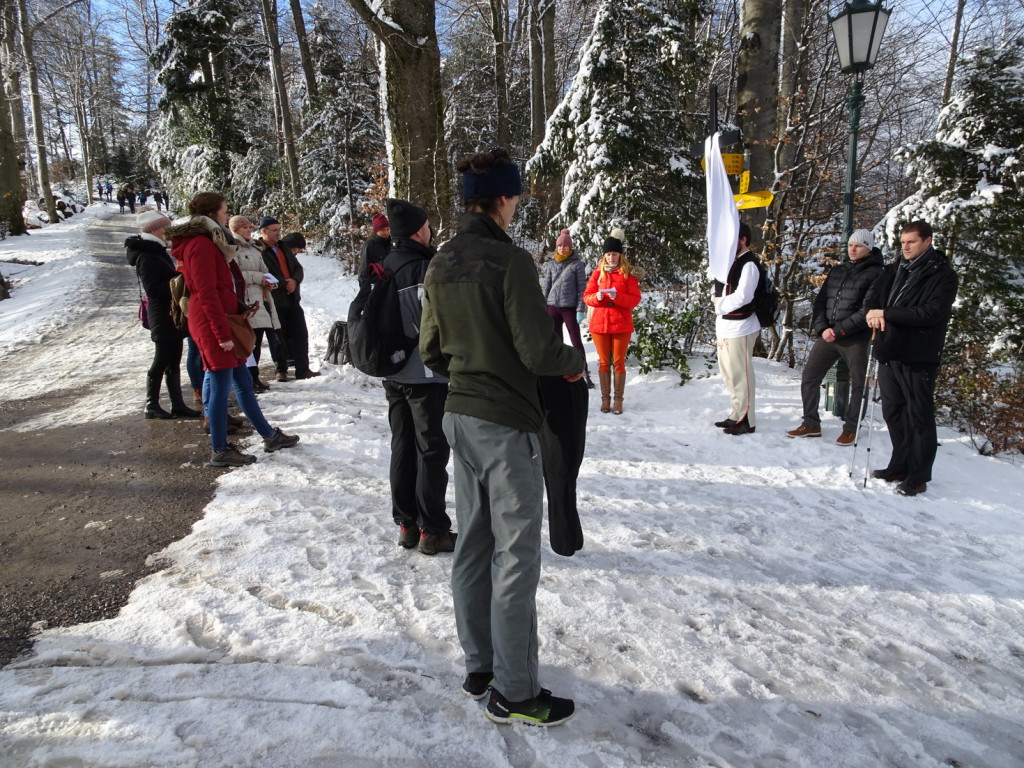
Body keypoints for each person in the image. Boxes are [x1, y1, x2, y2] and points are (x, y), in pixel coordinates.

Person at [420, 146, 583, 727]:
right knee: (515, 555)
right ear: (504, 198)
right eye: (517, 197)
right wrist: (572, 361)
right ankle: (515, 691)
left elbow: (432, 350)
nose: (518, 207)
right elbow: (538, 350)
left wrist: (473, 367)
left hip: (458, 416)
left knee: (473, 543)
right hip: (506, 423)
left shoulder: (440, 261)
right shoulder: (509, 261)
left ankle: (480, 666)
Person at [169, 192, 300, 467]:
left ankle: (269, 435)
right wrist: (221, 333)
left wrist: (239, 306)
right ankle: (219, 449)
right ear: (213, 213)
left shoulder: (210, 241)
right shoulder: (201, 245)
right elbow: (205, 293)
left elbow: (222, 285)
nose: (227, 215)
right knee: (219, 387)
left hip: (225, 318)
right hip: (214, 324)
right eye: (225, 210)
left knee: (242, 381)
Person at [377, 198, 454, 555]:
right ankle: (432, 530)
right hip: (425, 375)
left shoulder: (383, 263)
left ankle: (407, 524)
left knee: (402, 447)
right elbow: (434, 324)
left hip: (393, 373)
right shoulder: (424, 268)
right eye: (427, 225)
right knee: (431, 452)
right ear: (419, 230)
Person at [865, 220, 958, 496]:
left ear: (927, 241)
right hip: (890, 349)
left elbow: (931, 313)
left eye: (911, 242)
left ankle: (918, 476)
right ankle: (899, 465)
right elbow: (874, 296)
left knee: (919, 415)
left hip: (919, 353)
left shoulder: (942, 275)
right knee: (893, 412)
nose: (905, 247)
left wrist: (887, 313)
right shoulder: (894, 269)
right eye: (903, 242)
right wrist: (873, 310)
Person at [787, 229, 884, 444]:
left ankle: (851, 427)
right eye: (850, 245)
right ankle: (811, 423)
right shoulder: (837, 270)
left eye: (858, 245)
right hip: (828, 335)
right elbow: (821, 301)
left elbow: (868, 309)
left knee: (858, 383)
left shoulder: (877, 273)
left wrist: (840, 331)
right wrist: (822, 328)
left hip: (855, 337)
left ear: (868, 247)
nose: (853, 249)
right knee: (810, 377)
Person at [126, 211, 202, 421]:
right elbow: (153, 289)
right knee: (161, 360)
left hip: (171, 314)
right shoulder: (148, 255)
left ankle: (177, 404)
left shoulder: (157, 251)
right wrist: (179, 283)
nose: (169, 231)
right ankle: (151, 404)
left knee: (173, 360)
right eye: (165, 227)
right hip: (162, 315)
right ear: (155, 229)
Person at [583, 229, 641, 414]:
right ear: (604, 255)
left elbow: (634, 300)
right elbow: (586, 297)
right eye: (608, 254)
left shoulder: (627, 274)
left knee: (618, 362)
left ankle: (618, 400)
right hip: (599, 324)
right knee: (602, 362)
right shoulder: (597, 274)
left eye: (614, 254)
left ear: (620, 255)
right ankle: (605, 399)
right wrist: (597, 297)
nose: (611, 257)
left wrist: (617, 297)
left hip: (621, 324)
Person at [713, 222, 761, 435]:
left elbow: (744, 296)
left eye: (733, 239)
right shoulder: (730, 262)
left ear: (743, 240)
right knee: (729, 374)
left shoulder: (749, 264)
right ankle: (736, 413)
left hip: (742, 326)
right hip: (725, 326)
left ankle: (747, 420)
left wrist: (719, 304)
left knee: (741, 375)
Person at [258, 217, 318, 381]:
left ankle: (302, 368)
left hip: (292, 298)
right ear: (264, 231)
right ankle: (281, 369)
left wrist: (295, 280)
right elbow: (264, 273)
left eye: (279, 229)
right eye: (274, 230)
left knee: (300, 333)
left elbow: (298, 268)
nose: (278, 233)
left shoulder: (283, 247)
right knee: (278, 335)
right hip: (275, 299)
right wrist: (285, 283)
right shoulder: (259, 249)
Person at [230, 215, 283, 393]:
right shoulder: (233, 247)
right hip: (246, 300)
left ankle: (254, 378)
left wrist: (270, 280)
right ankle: (248, 379)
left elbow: (264, 270)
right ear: (236, 229)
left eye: (250, 227)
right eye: (245, 227)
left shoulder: (254, 247)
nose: (249, 230)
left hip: (261, 298)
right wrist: (259, 278)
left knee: (257, 341)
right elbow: (235, 274)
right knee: (249, 343)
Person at [540, 229, 593, 389]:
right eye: (560, 245)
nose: (562, 248)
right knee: (556, 342)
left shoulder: (577, 265)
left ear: (570, 247)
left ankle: (584, 371)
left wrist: (580, 309)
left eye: (565, 246)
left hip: (569, 308)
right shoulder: (551, 265)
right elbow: (547, 286)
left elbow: (581, 289)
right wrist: (543, 306)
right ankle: (558, 370)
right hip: (552, 308)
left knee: (576, 341)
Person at [357, 213, 391, 291]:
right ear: (376, 231)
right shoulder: (369, 245)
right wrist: (365, 292)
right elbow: (363, 272)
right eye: (382, 230)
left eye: (387, 229)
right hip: (377, 288)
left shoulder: (392, 243)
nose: (386, 232)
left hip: (392, 287)